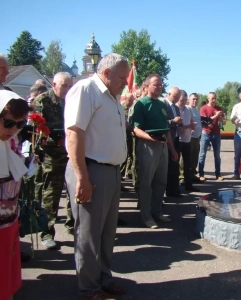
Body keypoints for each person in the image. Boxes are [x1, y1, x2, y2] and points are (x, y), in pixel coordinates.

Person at [65, 53, 129, 300]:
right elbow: (74, 135)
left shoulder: (112, 97)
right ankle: (89, 288)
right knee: (89, 234)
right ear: (106, 73)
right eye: (122, 77)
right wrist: (82, 178)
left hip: (111, 172)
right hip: (91, 170)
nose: (126, 82)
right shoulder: (85, 90)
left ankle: (104, 279)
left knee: (106, 234)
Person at [132, 74, 178, 229]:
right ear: (147, 86)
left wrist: (172, 149)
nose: (159, 88)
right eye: (156, 85)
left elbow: (166, 129)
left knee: (160, 182)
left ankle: (157, 212)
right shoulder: (141, 104)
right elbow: (135, 129)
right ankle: (146, 216)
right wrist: (152, 139)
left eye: (160, 85)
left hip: (163, 145)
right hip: (148, 146)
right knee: (146, 183)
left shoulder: (161, 105)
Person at [33, 71, 73, 249]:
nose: (67, 89)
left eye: (70, 85)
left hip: (72, 153)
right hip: (52, 154)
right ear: (54, 84)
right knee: (51, 194)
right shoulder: (42, 101)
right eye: (64, 85)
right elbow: (36, 133)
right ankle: (47, 232)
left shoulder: (72, 101)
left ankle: (73, 226)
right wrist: (55, 140)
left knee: (74, 192)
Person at [0, 90, 33, 300]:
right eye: (9, 123)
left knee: (6, 272)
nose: (13, 130)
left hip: (9, 219)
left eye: (19, 125)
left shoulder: (10, 142)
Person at [198, 92, 226, 181]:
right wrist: (216, 116)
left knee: (217, 155)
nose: (213, 100)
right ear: (208, 98)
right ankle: (201, 174)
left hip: (216, 133)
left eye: (215, 98)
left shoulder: (219, 108)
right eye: (212, 98)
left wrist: (221, 119)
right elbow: (204, 121)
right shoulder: (203, 108)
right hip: (206, 133)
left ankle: (218, 174)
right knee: (202, 154)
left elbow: (224, 122)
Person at [177, 90, 199, 192]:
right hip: (177, 140)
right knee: (175, 164)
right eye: (182, 100)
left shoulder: (188, 109)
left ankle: (188, 185)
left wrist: (192, 125)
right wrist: (188, 126)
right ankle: (175, 186)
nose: (183, 102)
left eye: (185, 100)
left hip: (187, 140)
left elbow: (190, 121)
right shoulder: (175, 109)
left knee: (188, 164)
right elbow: (175, 126)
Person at [163, 87, 183, 197]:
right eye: (174, 97)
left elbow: (178, 122)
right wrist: (172, 121)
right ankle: (164, 191)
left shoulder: (176, 107)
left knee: (174, 166)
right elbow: (162, 122)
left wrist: (180, 126)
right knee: (165, 167)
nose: (176, 99)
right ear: (169, 94)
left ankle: (173, 190)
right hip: (166, 140)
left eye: (178, 97)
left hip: (175, 139)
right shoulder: (163, 105)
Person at [120, 92, 135, 181]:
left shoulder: (132, 108)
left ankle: (129, 173)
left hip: (130, 135)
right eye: (129, 100)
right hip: (123, 135)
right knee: (124, 155)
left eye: (132, 100)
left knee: (131, 154)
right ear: (125, 99)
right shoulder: (121, 108)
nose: (131, 102)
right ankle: (120, 176)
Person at [187, 93, 202, 182]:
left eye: (196, 99)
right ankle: (184, 176)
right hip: (189, 137)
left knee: (195, 156)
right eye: (193, 99)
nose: (195, 101)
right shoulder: (187, 109)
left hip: (197, 137)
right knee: (188, 157)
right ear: (189, 100)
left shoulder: (196, 110)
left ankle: (192, 174)